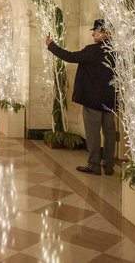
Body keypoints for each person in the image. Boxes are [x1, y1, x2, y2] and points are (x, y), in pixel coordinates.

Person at [45, 19, 117, 176]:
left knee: (93, 133)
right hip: (111, 99)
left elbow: (71, 57)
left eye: (96, 31)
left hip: (93, 99)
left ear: (105, 33)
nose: (93, 33)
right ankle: (109, 166)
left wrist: (51, 46)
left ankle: (94, 165)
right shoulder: (116, 51)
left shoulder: (93, 50)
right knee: (110, 133)